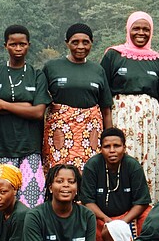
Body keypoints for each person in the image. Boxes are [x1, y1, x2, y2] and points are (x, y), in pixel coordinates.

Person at [100, 11, 159, 201]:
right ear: (128, 29)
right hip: (121, 118)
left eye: (146, 29)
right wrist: (108, 129)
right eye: (136, 28)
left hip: (150, 124)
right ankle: (118, 205)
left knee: (149, 160)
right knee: (121, 159)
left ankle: (148, 207)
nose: (141, 33)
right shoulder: (114, 55)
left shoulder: (157, 60)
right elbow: (103, 93)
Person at [0, 25, 50, 207]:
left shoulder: (37, 75)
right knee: (0, 202)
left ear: (28, 45)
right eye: (13, 44)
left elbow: (38, 112)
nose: (18, 48)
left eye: (22, 44)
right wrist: (26, 106)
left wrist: (2, 104)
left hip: (30, 147)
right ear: (5, 45)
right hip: (0, 147)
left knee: (32, 203)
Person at [43, 23, 114, 170]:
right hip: (59, 132)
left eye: (85, 42)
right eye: (75, 42)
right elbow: (41, 104)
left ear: (91, 43)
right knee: (59, 172)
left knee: (90, 171)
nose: (80, 47)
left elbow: (106, 110)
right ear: (67, 43)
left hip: (90, 134)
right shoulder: (52, 67)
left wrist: (109, 139)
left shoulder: (98, 70)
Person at [78, 127, 151, 241]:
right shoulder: (92, 165)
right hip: (101, 217)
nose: (112, 150)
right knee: (83, 214)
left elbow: (142, 202)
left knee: (148, 215)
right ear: (100, 149)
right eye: (107, 146)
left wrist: (123, 222)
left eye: (116, 146)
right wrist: (106, 219)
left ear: (124, 148)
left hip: (128, 215)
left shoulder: (132, 165)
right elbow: (87, 201)